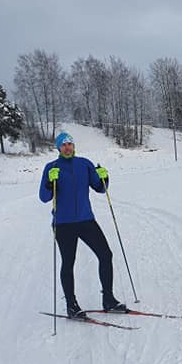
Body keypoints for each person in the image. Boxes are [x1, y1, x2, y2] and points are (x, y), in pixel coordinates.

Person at [39, 132, 126, 317]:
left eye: (70, 143)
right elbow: (44, 197)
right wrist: (49, 181)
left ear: (74, 146)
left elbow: (100, 188)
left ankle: (109, 300)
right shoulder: (51, 167)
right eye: (63, 145)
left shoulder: (84, 164)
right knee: (68, 263)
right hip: (63, 224)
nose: (67, 147)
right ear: (58, 148)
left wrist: (104, 177)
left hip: (86, 220)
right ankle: (72, 306)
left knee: (105, 255)